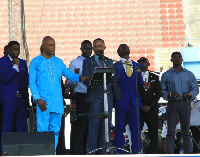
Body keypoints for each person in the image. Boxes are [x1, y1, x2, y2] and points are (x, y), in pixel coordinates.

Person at [29, 36, 90, 153]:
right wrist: (38, 99)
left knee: (55, 131)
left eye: (54, 45)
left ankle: (52, 153)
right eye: (50, 45)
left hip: (57, 103)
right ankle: (43, 154)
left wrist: (81, 77)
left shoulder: (58, 61)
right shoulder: (35, 62)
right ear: (43, 46)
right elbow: (32, 82)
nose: (53, 47)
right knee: (42, 130)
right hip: (43, 103)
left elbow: (68, 74)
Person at [161, 51, 199, 154]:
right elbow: (162, 91)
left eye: (179, 57)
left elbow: (196, 89)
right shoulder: (166, 75)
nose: (177, 59)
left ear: (182, 59)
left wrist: (190, 94)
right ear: (171, 59)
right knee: (171, 131)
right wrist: (170, 94)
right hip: (172, 104)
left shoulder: (189, 74)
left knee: (186, 131)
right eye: (175, 57)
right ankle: (170, 153)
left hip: (186, 104)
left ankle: (188, 153)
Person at [82, 38, 114, 153]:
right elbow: (84, 79)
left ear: (104, 47)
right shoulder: (87, 62)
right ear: (93, 48)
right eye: (96, 46)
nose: (98, 48)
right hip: (95, 96)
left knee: (106, 125)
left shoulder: (109, 62)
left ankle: (104, 152)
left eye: (100, 46)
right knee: (93, 126)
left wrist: (113, 72)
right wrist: (91, 82)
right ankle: (91, 152)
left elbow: (114, 80)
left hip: (107, 96)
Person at [113, 44, 144, 154]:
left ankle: (137, 151)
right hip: (120, 101)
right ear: (118, 52)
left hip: (134, 102)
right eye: (122, 47)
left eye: (127, 47)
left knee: (136, 129)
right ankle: (119, 151)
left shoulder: (137, 66)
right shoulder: (115, 66)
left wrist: (145, 85)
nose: (126, 49)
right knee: (119, 129)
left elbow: (140, 84)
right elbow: (113, 84)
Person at [68, 40, 92, 154]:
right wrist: (76, 79)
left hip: (92, 96)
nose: (87, 51)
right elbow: (68, 82)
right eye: (85, 48)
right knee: (80, 127)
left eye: (89, 48)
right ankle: (78, 153)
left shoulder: (95, 61)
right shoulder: (75, 62)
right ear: (81, 49)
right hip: (80, 97)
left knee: (91, 126)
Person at [137, 57, 161, 153]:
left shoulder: (154, 77)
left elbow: (158, 94)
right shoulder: (135, 77)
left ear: (148, 63)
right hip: (139, 109)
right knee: (137, 132)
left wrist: (150, 106)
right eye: (140, 62)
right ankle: (138, 151)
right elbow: (134, 93)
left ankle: (154, 153)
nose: (142, 63)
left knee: (153, 133)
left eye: (144, 61)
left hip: (152, 110)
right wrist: (141, 105)